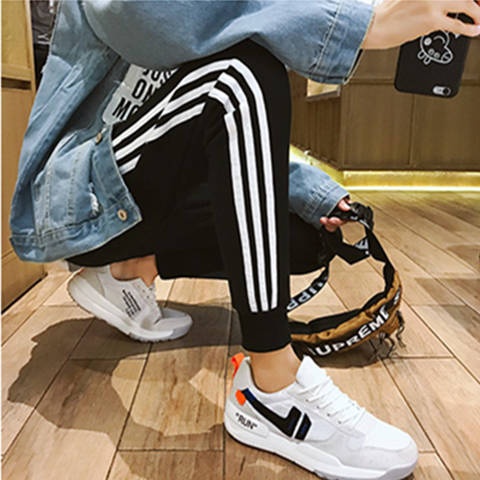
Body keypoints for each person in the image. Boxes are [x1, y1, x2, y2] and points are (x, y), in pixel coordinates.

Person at [10, 1, 480, 479]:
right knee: (243, 74)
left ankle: (131, 269)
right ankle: (271, 385)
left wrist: (315, 193)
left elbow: (216, 124)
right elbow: (145, 18)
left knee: (305, 235)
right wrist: (362, 23)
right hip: (80, 192)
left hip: (139, 179)